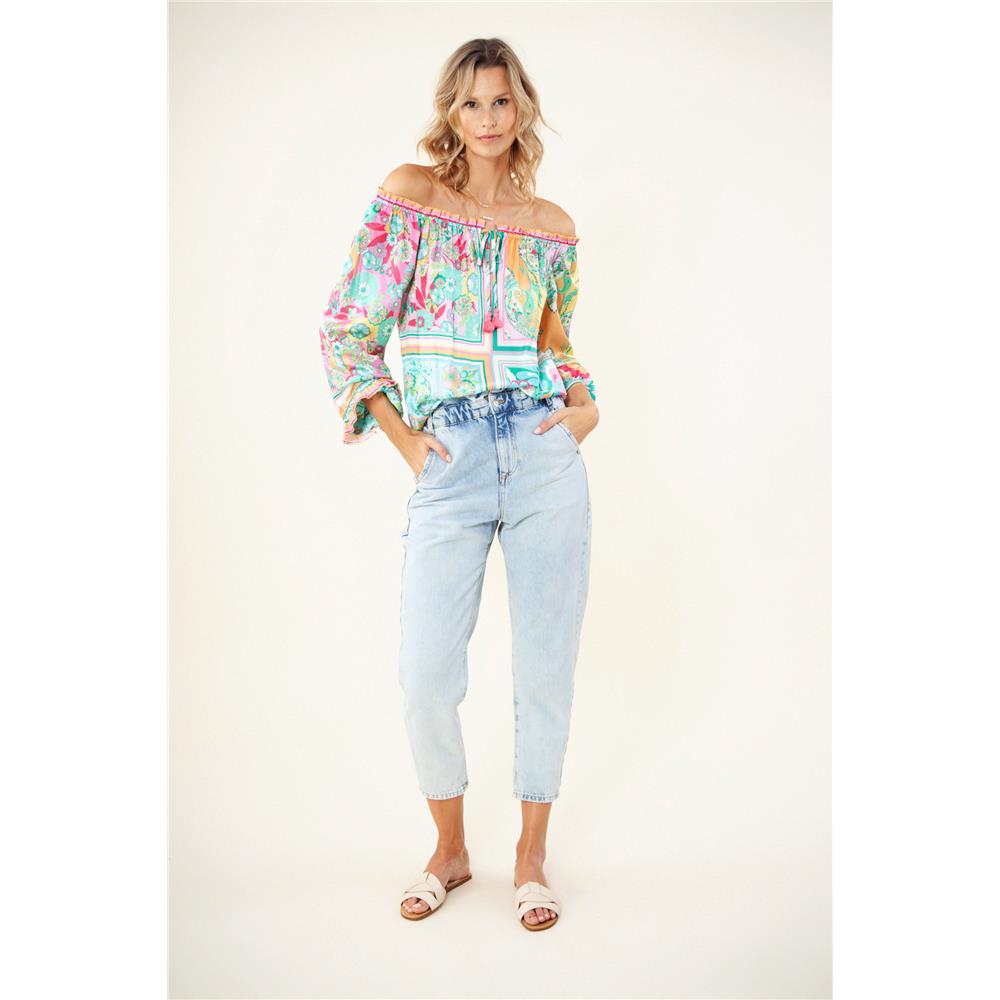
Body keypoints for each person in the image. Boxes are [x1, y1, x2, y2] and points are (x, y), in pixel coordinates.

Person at [318, 38, 598, 931]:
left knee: (544, 666)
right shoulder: (413, 195)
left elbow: (556, 340)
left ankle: (531, 856)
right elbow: (347, 326)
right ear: (451, 110)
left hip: (543, 454)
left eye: (501, 101)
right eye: (471, 102)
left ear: (522, 110)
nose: (487, 119)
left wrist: (584, 407)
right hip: (452, 456)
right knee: (426, 674)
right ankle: (450, 850)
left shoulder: (550, 224)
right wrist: (409, 444)